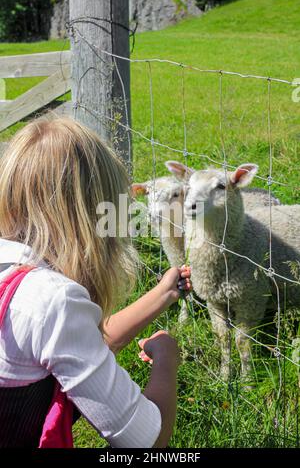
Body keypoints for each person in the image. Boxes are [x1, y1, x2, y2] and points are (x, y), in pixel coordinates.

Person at [0, 115, 192, 448]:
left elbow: (73, 343)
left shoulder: (24, 288)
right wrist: (167, 359)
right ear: (93, 211)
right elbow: (147, 441)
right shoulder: (52, 299)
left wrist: (163, 294)